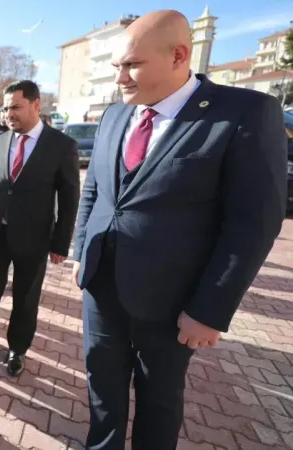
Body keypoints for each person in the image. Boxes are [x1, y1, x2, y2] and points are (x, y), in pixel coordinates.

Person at [72, 10, 287, 450]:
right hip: (102, 285)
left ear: (178, 56)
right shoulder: (115, 116)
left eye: (131, 65)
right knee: (102, 390)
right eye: (116, 66)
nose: (120, 78)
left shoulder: (244, 113)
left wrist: (210, 309)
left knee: (159, 401)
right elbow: (94, 190)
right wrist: (81, 251)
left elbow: (252, 223)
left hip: (171, 302)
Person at [0, 80, 80, 376]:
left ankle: (17, 348)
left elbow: (69, 199)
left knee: (25, 296)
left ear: (36, 104)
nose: (9, 114)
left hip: (34, 236)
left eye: (15, 107)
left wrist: (60, 243)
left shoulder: (61, 145)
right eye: (6, 109)